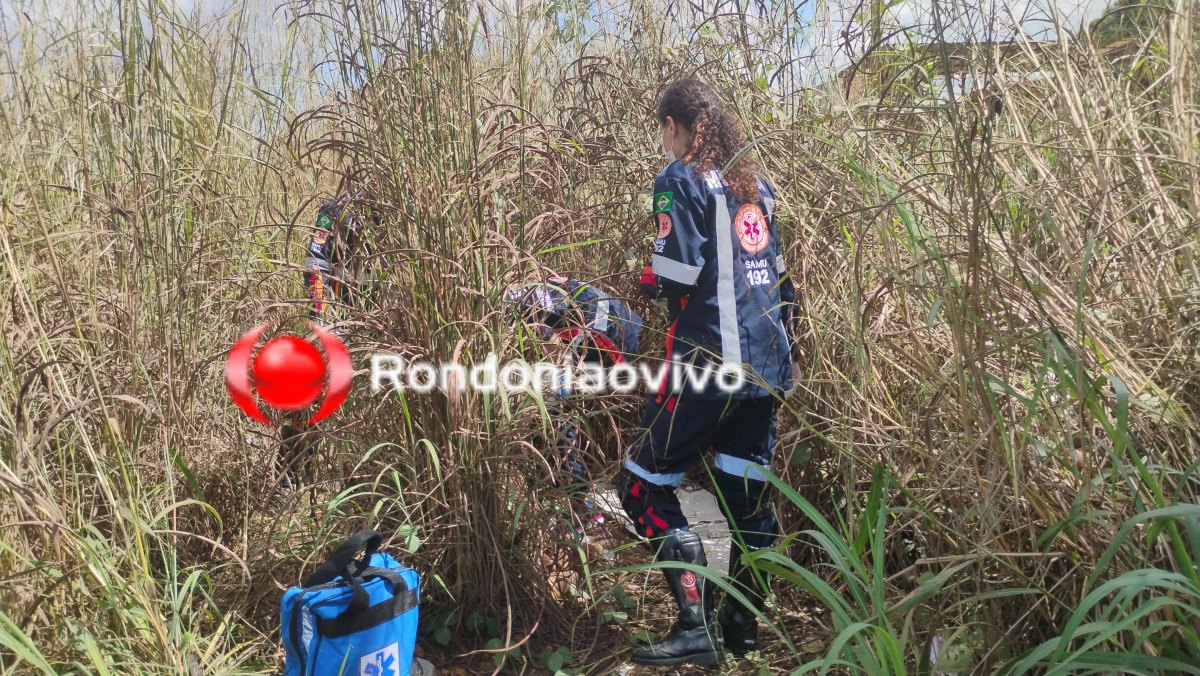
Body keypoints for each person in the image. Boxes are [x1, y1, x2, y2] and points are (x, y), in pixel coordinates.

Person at [616, 79, 797, 666]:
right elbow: (780, 280)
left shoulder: (679, 179)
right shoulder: (756, 187)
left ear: (673, 126)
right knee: (747, 499)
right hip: (767, 368)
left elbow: (677, 274)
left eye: (663, 132)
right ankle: (741, 629)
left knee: (641, 484)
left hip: (708, 364)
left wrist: (645, 279)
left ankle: (694, 624)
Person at [505, 275, 643, 511]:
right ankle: (569, 488)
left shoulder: (529, 313)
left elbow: (557, 360)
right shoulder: (527, 296)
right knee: (557, 406)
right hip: (613, 322)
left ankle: (577, 500)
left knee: (560, 412)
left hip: (611, 339)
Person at [303, 193, 379, 324]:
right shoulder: (336, 210)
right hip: (344, 309)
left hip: (388, 312)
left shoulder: (409, 210)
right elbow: (317, 264)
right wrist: (319, 318)